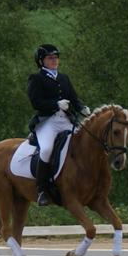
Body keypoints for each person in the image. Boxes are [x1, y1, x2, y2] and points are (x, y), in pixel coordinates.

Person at [27, 44, 89, 206]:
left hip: (66, 120)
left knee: (83, 143)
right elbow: (36, 102)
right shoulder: (36, 78)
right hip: (47, 122)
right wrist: (56, 104)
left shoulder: (64, 78)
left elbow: (73, 99)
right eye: (50, 58)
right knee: (46, 149)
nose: (54, 61)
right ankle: (41, 190)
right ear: (41, 61)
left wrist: (82, 108)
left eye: (56, 58)